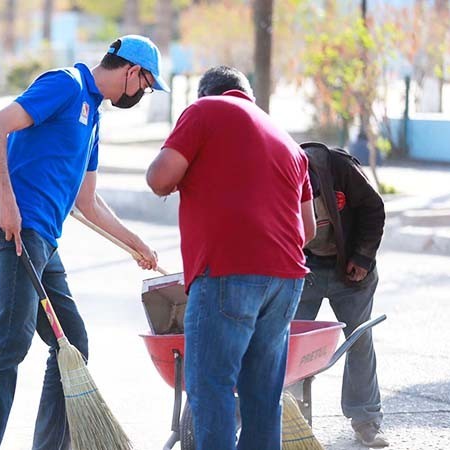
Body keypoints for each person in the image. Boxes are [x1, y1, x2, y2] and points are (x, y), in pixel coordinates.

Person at [0, 35, 163, 450]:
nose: (142, 93)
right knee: (10, 343)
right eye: (145, 84)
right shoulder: (65, 84)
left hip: (43, 240)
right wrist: (7, 203)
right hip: (17, 230)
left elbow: (87, 201)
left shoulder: (95, 117)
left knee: (72, 343)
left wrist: (135, 242)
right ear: (132, 71)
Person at [146, 65, 316, 450]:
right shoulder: (287, 140)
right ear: (248, 97)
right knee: (262, 395)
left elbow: (159, 178)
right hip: (287, 280)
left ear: (206, 94)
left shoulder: (205, 111)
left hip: (227, 272)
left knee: (211, 387)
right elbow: (308, 232)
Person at [296, 141, 387, 448]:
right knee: (287, 345)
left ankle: (366, 419)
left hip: (349, 267)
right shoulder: (279, 175)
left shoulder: (339, 167)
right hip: (304, 268)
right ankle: (290, 419)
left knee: (358, 339)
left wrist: (361, 258)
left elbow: (374, 210)